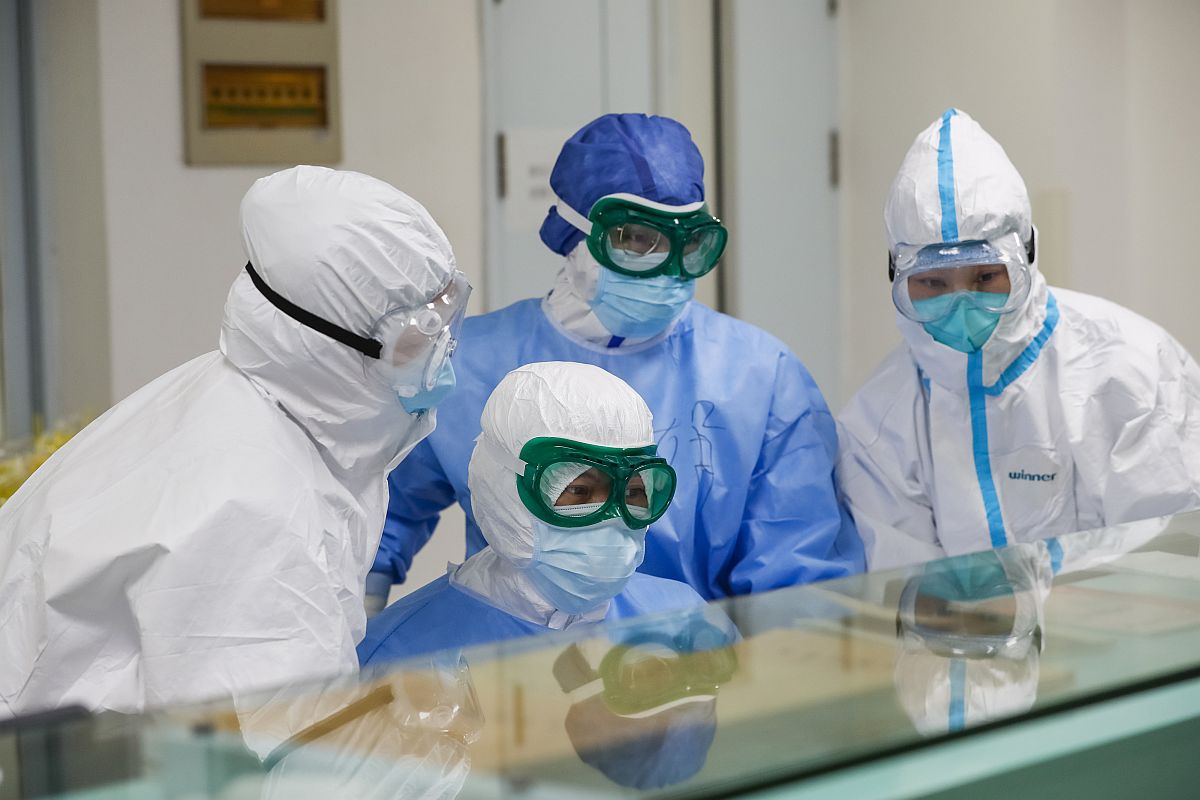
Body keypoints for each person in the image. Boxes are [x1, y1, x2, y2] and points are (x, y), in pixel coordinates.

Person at [0, 166, 470, 719]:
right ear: (328, 343)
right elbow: (262, 746)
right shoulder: (253, 505)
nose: (442, 358)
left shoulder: (242, 397)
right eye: (416, 341)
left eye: (445, 324)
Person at [369, 113, 863, 607]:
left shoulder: (760, 375)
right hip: (513, 643)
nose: (667, 267)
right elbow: (382, 510)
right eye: (634, 238)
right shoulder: (469, 364)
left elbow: (799, 572)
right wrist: (359, 604)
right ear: (569, 232)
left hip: (698, 647)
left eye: (689, 242)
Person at [837, 109, 1200, 571]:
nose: (962, 306)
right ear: (898, 276)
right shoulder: (879, 422)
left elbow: (1171, 558)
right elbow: (901, 586)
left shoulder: (1132, 372)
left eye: (986, 276)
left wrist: (1038, 596)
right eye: (932, 283)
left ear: (1026, 256)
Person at [357, 361, 707, 666]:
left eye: (633, 492)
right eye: (579, 491)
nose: (613, 519)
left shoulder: (684, 621)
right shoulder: (398, 656)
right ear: (502, 488)